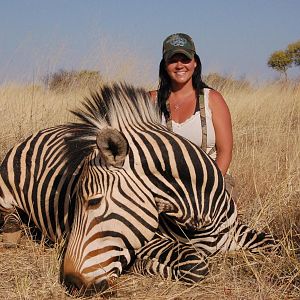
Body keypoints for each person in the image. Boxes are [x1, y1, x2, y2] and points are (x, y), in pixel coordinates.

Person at [149, 33, 234, 191]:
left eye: (186, 59)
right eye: (173, 60)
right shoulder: (150, 100)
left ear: (195, 63)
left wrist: (206, 189)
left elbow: (225, 152)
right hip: (166, 186)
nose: (179, 65)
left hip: (212, 181)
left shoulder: (213, 99)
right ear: (164, 65)